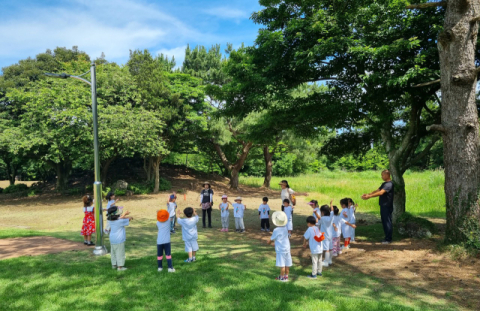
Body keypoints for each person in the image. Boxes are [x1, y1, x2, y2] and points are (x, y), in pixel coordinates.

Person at [362, 170, 394, 244]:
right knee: (384, 221)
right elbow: (378, 190)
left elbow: (381, 192)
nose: (381, 177)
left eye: (382, 175)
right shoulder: (384, 184)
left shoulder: (389, 184)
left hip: (387, 205)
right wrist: (368, 194)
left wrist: (369, 196)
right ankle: (386, 237)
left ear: (387, 175)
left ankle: (388, 239)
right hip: (383, 205)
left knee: (387, 221)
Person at [106, 206, 133, 271]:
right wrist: (130, 217)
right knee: (120, 253)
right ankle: (120, 267)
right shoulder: (120, 221)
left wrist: (124, 215)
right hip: (119, 239)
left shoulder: (110, 220)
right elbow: (127, 219)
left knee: (113, 252)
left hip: (112, 239)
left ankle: (114, 264)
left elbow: (119, 218)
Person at [268, 211, 292, 282]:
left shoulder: (276, 230)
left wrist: (269, 242)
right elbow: (282, 237)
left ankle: (281, 277)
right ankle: (286, 276)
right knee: (287, 263)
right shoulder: (285, 228)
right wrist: (275, 243)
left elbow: (272, 238)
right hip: (287, 248)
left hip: (280, 250)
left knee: (282, 264)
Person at [319, 201, 334, 267]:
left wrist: (315, 213)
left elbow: (318, 221)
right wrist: (331, 204)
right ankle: (330, 260)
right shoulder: (331, 217)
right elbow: (332, 211)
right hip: (330, 235)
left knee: (326, 249)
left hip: (325, 236)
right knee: (330, 248)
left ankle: (326, 262)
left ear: (323, 212)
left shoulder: (322, 218)